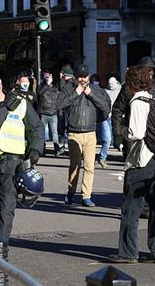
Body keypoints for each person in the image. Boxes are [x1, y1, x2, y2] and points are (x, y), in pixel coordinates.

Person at [109, 66, 155, 264]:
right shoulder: (154, 99)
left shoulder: (137, 101)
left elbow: (135, 132)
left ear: (133, 82)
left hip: (140, 160)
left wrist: (122, 131)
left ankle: (128, 252)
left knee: (130, 209)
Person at [0, 74, 44, 243]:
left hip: (13, 165)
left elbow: (36, 128)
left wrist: (35, 150)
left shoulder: (20, 104)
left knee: (6, 208)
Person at [56, 64, 111, 207]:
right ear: (76, 76)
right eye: (80, 76)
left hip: (90, 133)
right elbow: (59, 104)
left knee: (89, 167)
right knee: (75, 165)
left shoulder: (96, 89)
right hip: (74, 133)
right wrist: (77, 92)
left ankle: (86, 196)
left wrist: (90, 93)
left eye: (85, 76)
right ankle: (70, 192)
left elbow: (105, 106)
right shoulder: (69, 88)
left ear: (88, 76)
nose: (82, 79)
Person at [97, 77, 121, 168]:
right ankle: (102, 158)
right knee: (107, 139)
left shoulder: (120, 90)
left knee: (116, 138)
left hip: (116, 117)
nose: (111, 86)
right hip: (105, 117)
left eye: (112, 85)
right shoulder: (104, 91)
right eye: (109, 85)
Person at [37, 72, 63, 156]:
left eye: (50, 77)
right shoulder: (41, 86)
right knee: (43, 132)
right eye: (47, 77)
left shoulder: (55, 87)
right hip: (44, 113)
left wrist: (59, 111)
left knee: (54, 132)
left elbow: (58, 99)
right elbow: (39, 93)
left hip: (53, 113)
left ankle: (56, 149)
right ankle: (42, 149)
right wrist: (47, 85)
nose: (49, 79)